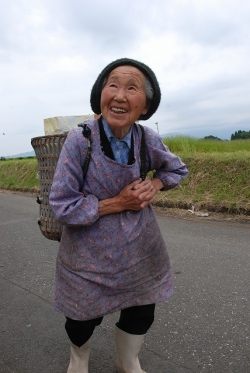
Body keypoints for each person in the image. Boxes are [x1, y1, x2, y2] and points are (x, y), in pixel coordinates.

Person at [49, 58, 188, 373]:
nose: (120, 95)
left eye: (131, 88)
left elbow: (177, 169)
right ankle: (78, 359)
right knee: (82, 316)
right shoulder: (80, 140)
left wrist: (155, 183)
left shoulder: (145, 139)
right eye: (113, 85)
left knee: (141, 309)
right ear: (100, 94)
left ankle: (127, 361)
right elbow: (61, 203)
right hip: (87, 255)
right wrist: (117, 203)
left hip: (139, 249)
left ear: (145, 106)